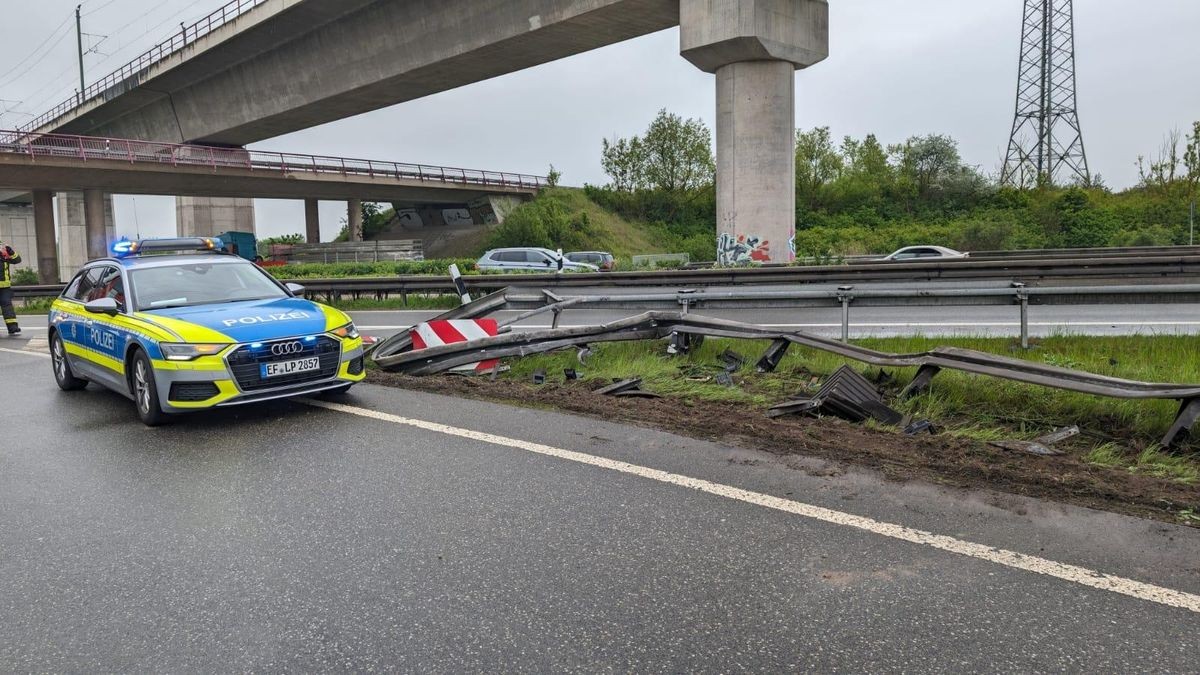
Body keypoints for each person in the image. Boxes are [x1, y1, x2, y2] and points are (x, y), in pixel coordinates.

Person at [0, 240, 22, 335]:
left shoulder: (5, 254)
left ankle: (13, 327)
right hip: (5, 287)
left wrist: (10, 251)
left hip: (5, 287)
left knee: (7, 306)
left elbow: (17, 260)